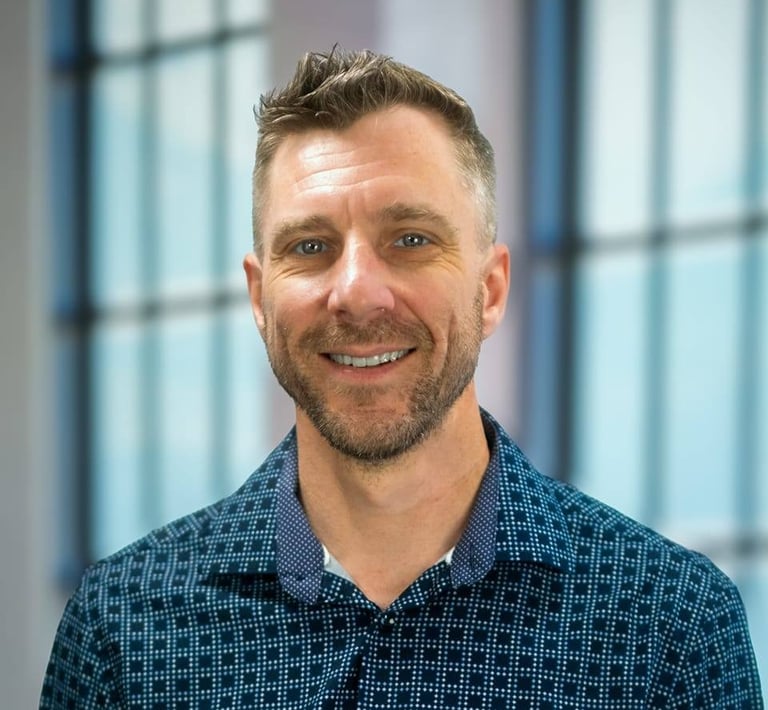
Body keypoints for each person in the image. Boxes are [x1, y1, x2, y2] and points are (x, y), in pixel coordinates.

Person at [41, 47, 763, 708]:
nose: (357, 292)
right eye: (311, 246)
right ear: (260, 299)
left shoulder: (673, 627)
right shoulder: (120, 631)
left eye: (411, 240)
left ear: (490, 289)